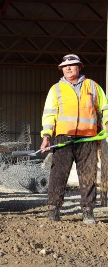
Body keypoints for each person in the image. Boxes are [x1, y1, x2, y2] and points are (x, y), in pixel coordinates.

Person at [40, 54, 108, 224]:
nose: (69, 68)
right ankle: (54, 209)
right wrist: (46, 135)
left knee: (88, 175)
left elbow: (105, 108)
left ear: (80, 67)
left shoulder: (93, 86)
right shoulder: (56, 89)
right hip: (63, 138)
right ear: (62, 69)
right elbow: (49, 114)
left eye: (73, 65)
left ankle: (88, 211)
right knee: (58, 174)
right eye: (65, 66)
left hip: (88, 139)